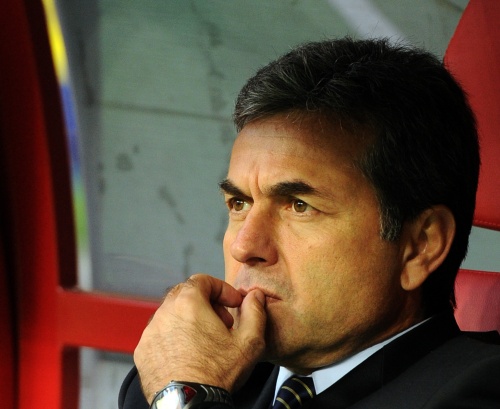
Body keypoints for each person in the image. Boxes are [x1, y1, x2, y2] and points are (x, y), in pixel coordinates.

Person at [119, 37, 500, 409]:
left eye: (299, 206)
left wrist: (186, 398)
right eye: (239, 203)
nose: (244, 246)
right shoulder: (185, 372)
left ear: (420, 245)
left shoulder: (478, 390)